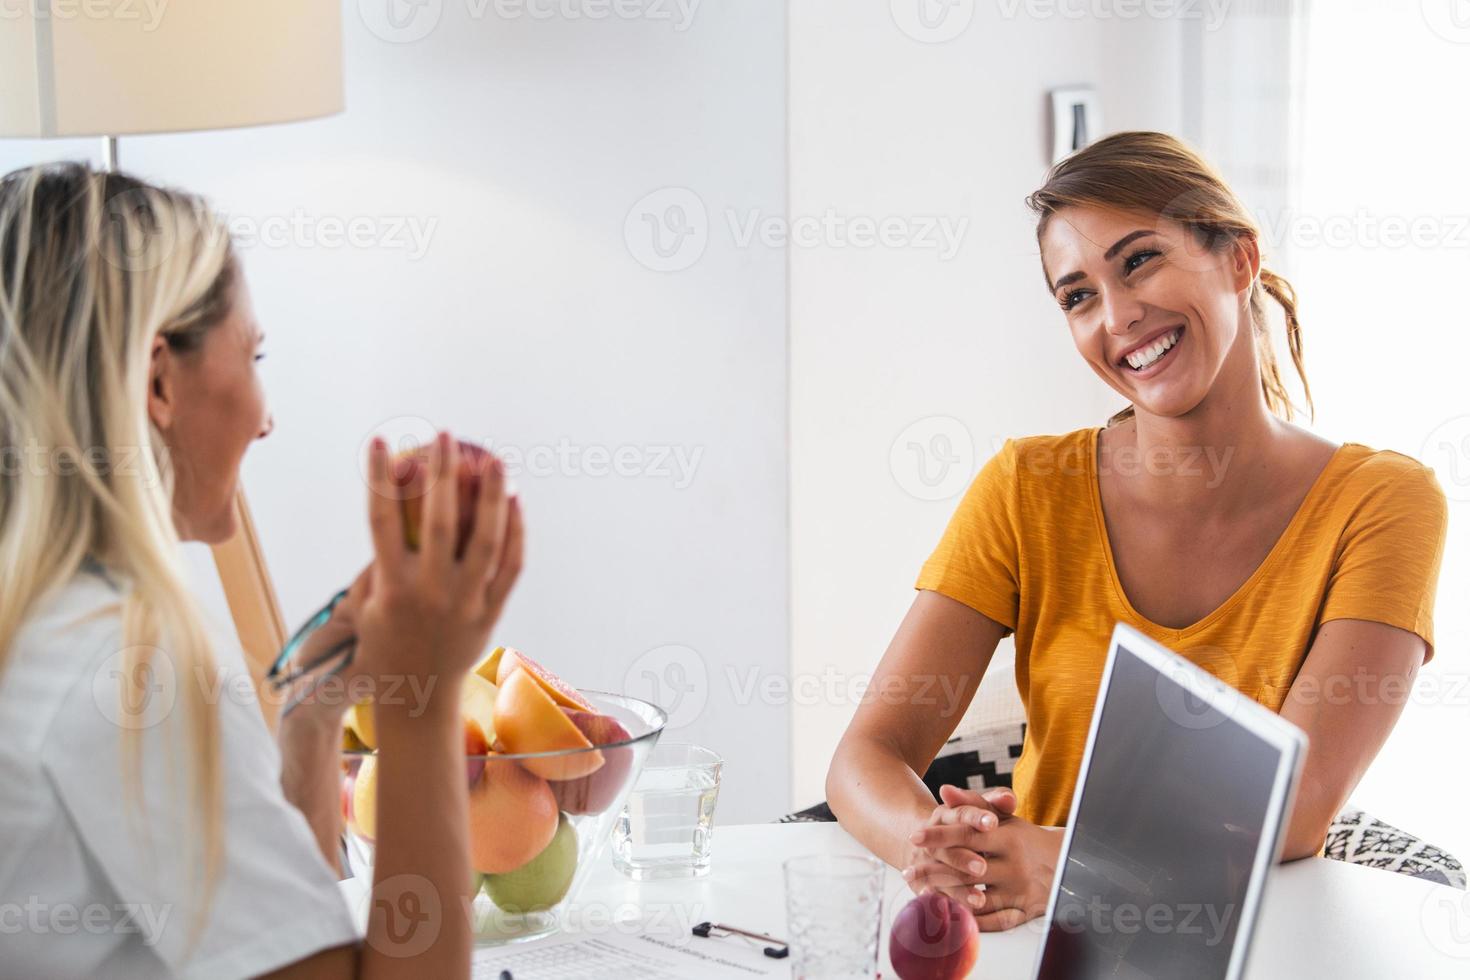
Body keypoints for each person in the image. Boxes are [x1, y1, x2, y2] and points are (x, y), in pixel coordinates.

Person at [826, 131, 1448, 930]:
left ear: (1239, 259)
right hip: (1045, 943)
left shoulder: (1383, 503)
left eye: (1140, 260)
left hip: (1262, 946)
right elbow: (865, 757)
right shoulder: (1027, 489)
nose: (1118, 317)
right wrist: (950, 852)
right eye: (1077, 296)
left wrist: (1062, 860)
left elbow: (1298, 806)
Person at [0, 162, 523, 978]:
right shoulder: (130, 663)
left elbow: (278, 943)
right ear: (158, 382)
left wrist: (313, 713)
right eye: (255, 354)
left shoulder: (43, 633)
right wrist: (420, 698)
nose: (267, 416)